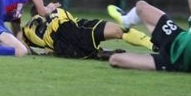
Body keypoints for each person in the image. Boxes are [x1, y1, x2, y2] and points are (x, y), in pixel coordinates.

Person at [23, 7, 153, 60]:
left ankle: (99, 53)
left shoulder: (28, 30)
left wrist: (37, 54)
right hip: (73, 30)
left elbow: (22, 43)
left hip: (63, 46)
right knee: (120, 31)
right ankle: (153, 44)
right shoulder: (52, 13)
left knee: (93, 52)